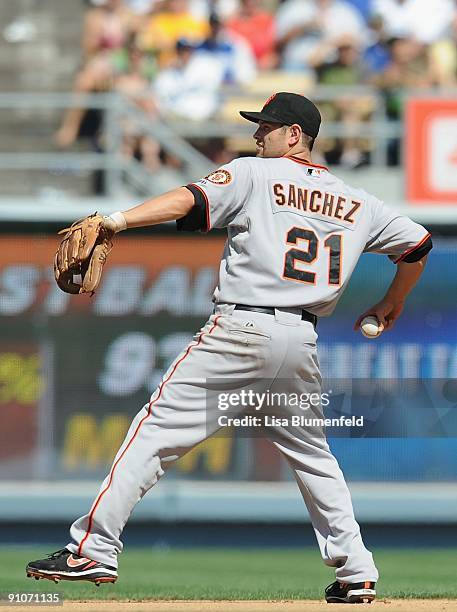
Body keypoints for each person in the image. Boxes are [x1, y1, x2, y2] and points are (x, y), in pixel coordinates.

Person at [26, 92, 432, 604]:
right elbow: (418, 245)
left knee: (155, 433)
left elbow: (190, 199)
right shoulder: (357, 202)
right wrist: (391, 303)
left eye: (267, 126)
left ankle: (93, 549)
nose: (257, 135)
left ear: (293, 136)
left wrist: (118, 220)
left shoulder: (254, 174)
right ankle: (356, 570)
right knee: (313, 457)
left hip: (241, 329)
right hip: (299, 338)